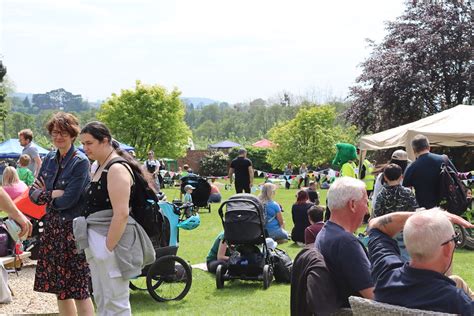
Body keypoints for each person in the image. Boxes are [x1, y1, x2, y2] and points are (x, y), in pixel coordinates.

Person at [78, 121, 155, 315]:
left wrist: (107, 248)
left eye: (89, 143)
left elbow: (121, 213)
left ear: (105, 141)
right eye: (83, 144)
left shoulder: (116, 169)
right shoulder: (98, 166)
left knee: (116, 301)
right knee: (103, 298)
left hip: (112, 241)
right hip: (97, 239)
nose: (85, 148)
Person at [29, 112, 94, 315]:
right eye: (55, 132)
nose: (58, 137)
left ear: (73, 135)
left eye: (63, 133)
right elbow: (32, 194)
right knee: (60, 290)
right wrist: (54, 193)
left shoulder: (80, 162)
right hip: (52, 231)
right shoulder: (48, 159)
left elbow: (69, 200)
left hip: (72, 232)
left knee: (79, 289)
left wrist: (46, 194)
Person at [368, 208, 474, 315]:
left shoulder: (385, 275)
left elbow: (375, 225)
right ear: (447, 248)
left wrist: (420, 218)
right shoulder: (457, 302)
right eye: (455, 239)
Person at [315, 177, 374, 307]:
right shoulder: (346, 242)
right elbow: (374, 295)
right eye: (366, 203)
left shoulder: (325, 233)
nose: (367, 210)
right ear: (352, 205)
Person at [373, 163, 418, 262]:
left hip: (387, 232)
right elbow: (415, 211)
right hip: (404, 231)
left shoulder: (381, 194)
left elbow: (377, 214)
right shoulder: (408, 193)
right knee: (406, 258)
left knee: (389, 258)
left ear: (385, 177)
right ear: (401, 176)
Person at [403, 134, 457, 209]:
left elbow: (406, 191)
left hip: (425, 210)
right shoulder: (444, 159)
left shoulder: (411, 167)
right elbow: (456, 176)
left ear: (414, 150)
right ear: (429, 147)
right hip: (447, 206)